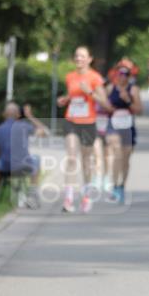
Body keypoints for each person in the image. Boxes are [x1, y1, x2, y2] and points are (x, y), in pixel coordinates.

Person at [57, 46, 112, 213]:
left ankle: (87, 195)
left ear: (89, 59)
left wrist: (90, 92)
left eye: (82, 56)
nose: (79, 59)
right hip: (71, 120)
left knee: (86, 161)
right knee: (72, 157)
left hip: (88, 122)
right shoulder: (70, 77)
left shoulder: (95, 78)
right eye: (76, 56)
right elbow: (73, 95)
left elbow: (105, 104)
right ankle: (68, 198)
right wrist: (65, 100)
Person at [0, 102, 47, 202]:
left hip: (5, 169)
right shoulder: (24, 126)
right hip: (23, 168)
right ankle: (32, 193)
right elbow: (44, 132)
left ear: (4, 114)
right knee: (36, 159)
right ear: (18, 115)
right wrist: (30, 116)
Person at [104, 59, 143, 204]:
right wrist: (109, 108)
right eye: (120, 73)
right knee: (116, 154)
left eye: (126, 74)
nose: (123, 77)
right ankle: (114, 186)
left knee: (125, 159)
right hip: (113, 124)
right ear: (116, 74)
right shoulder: (110, 88)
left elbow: (139, 111)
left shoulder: (133, 90)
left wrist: (128, 100)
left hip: (128, 125)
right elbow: (104, 106)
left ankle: (122, 186)